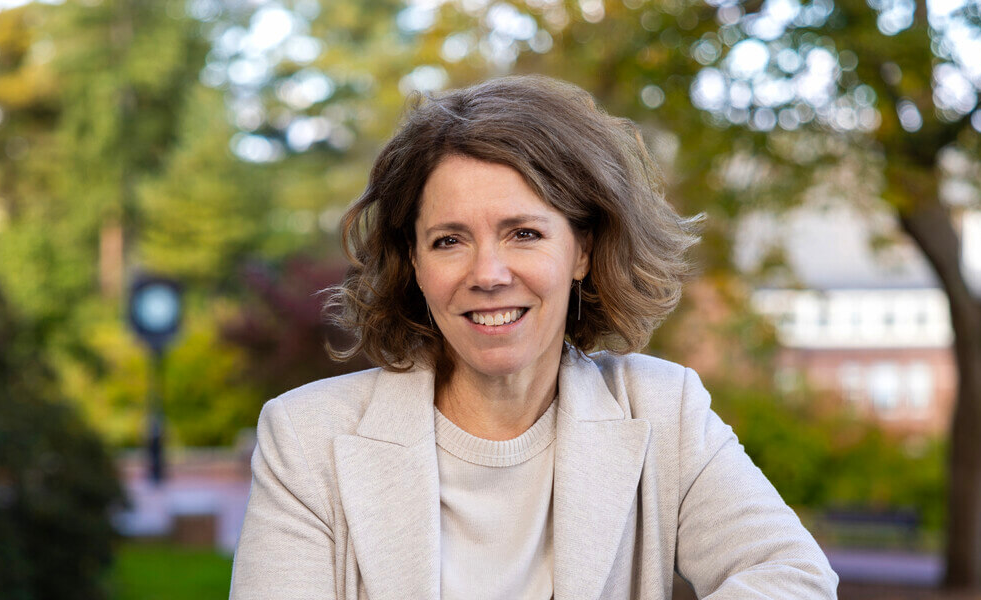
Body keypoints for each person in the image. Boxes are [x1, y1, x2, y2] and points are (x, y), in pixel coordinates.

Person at [229, 75, 838, 599]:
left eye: (523, 233)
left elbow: (793, 576)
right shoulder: (306, 440)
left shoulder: (664, 412)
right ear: (413, 264)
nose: (488, 275)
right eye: (449, 240)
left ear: (583, 249)